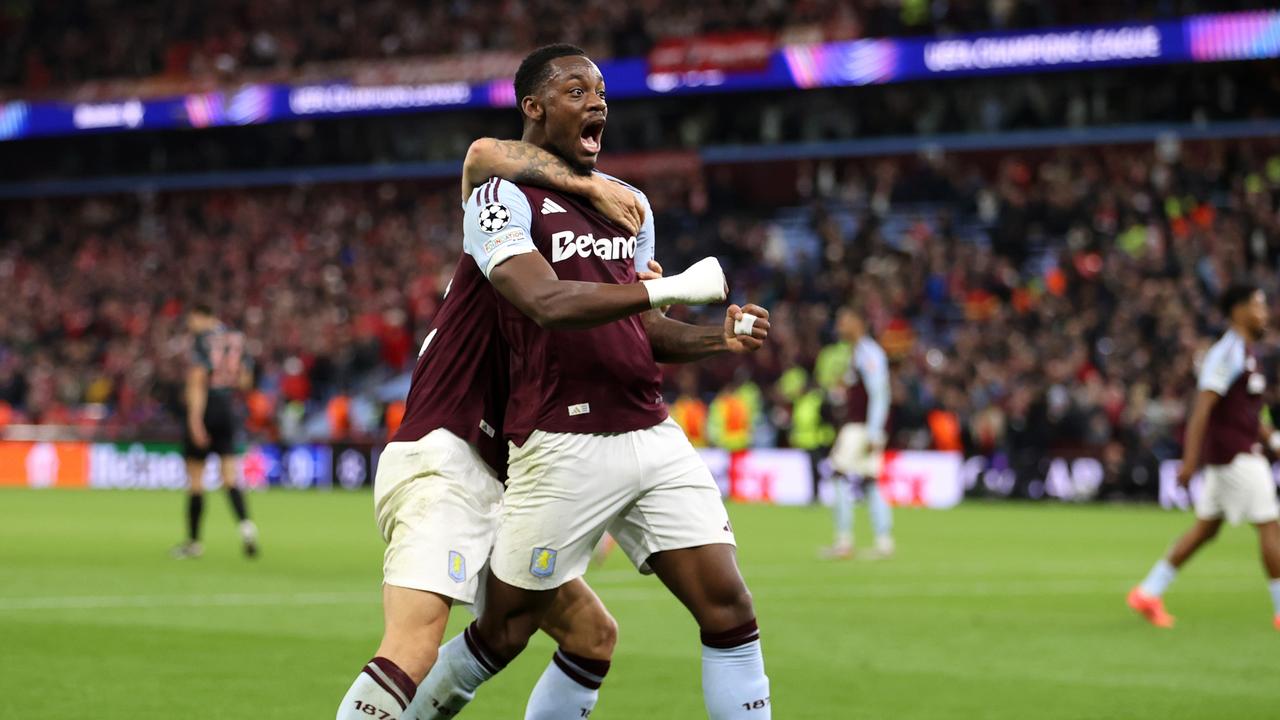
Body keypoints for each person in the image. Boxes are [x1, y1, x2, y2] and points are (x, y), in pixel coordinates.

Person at [416, 44, 774, 720]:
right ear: (535, 108)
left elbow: (642, 327)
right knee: (506, 630)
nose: (598, 102)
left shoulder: (628, 204)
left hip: (650, 431)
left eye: (602, 90)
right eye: (577, 90)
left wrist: (714, 337)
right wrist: (665, 289)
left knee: (729, 608)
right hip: (561, 440)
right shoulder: (499, 199)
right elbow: (547, 303)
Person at [335, 118, 732, 719]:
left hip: (510, 472)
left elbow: (617, 321)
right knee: (413, 644)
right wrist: (595, 188)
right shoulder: (502, 222)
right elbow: (482, 155)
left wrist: (692, 326)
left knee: (591, 637)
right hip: (448, 456)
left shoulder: (577, 265)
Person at [1128, 284, 1280, 630]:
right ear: (1238, 310)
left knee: (1205, 530)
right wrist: (1189, 461)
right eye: (1258, 305)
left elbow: (1244, 415)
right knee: (1271, 525)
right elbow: (1202, 409)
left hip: (1234, 454)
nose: (1265, 312)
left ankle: (1148, 592)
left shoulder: (1246, 352)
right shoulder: (1227, 353)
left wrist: (1272, 439)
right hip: (1235, 457)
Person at [173, 304, 258, 559]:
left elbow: (197, 380)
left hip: (208, 407)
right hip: (228, 409)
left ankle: (194, 542)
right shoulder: (237, 339)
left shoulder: (202, 341)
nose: (191, 325)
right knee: (230, 477)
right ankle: (247, 529)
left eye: (192, 319)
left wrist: (195, 420)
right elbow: (245, 381)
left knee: (196, 480)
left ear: (202, 316)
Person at [824, 305, 894, 559]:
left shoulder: (868, 352)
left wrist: (874, 433)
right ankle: (884, 542)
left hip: (861, 427)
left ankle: (844, 541)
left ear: (859, 323)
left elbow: (879, 393)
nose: (839, 325)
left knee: (838, 473)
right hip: (863, 426)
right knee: (869, 482)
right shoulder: (856, 352)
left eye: (844, 320)